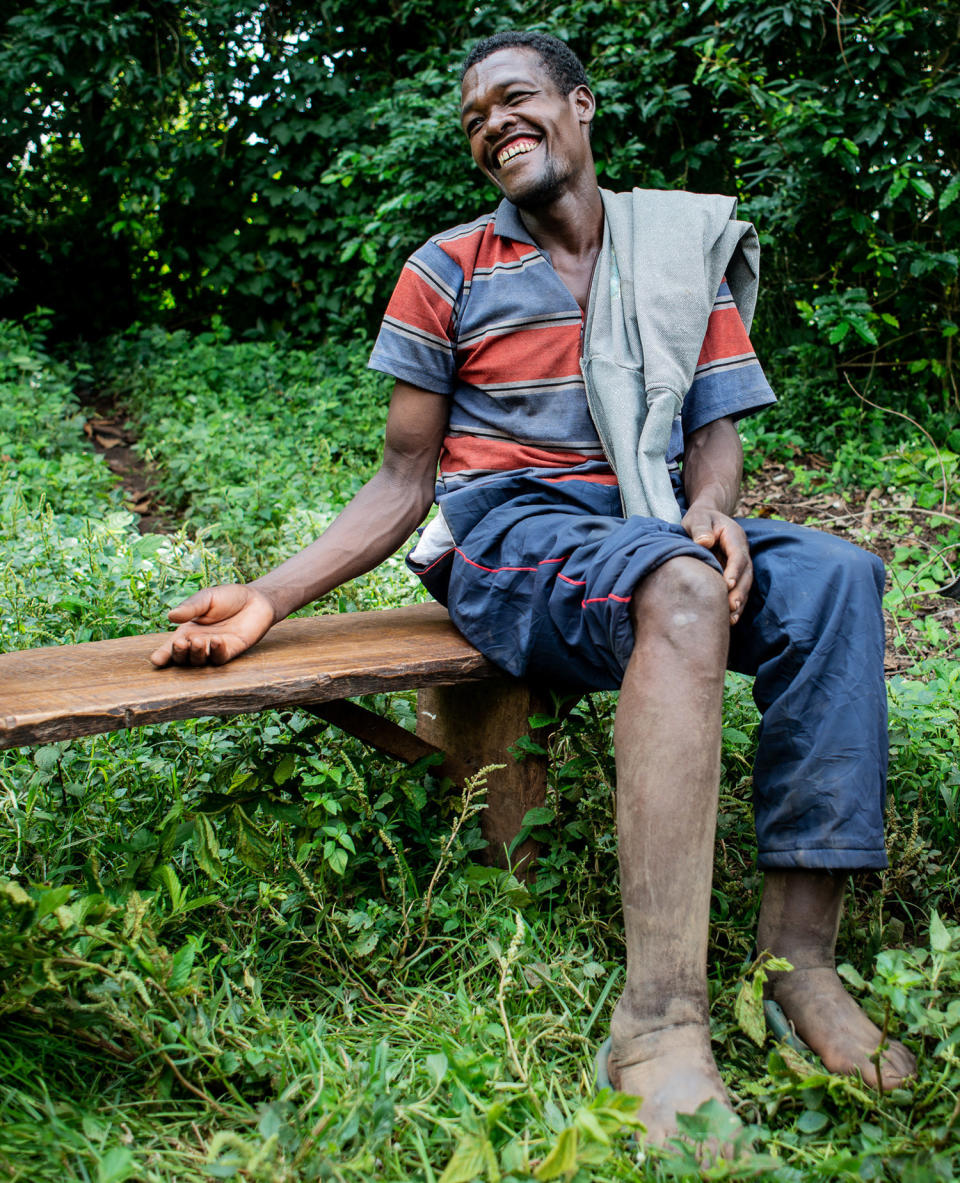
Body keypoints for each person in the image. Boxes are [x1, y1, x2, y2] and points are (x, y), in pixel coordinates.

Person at [150, 30, 916, 1146]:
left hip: (643, 519)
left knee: (839, 578)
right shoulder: (448, 269)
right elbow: (405, 478)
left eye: (514, 101)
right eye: (475, 119)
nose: (493, 125)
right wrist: (269, 595)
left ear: (580, 106)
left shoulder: (673, 255)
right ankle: (657, 1024)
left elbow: (713, 431)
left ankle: (800, 962)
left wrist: (710, 506)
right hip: (513, 534)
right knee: (682, 588)